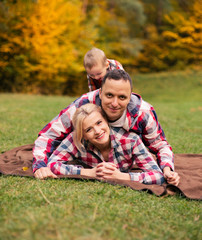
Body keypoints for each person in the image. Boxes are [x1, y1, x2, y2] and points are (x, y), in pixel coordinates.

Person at [33, 69, 180, 185]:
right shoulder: (83, 106)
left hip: (129, 156)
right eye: (109, 95)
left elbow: (160, 144)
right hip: (86, 152)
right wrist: (40, 165)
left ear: (130, 97)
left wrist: (167, 169)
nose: (115, 103)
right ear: (100, 93)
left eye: (122, 97)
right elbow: (48, 135)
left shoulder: (143, 113)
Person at [46, 103, 165, 185]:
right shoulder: (76, 139)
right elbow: (52, 164)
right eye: (89, 130)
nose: (97, 131)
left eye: (99, 123)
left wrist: (121, 176)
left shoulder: (131, 140)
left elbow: (158, 176)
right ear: (83, 135)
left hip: (130, 164)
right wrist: (90, 172)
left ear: (106, 121)